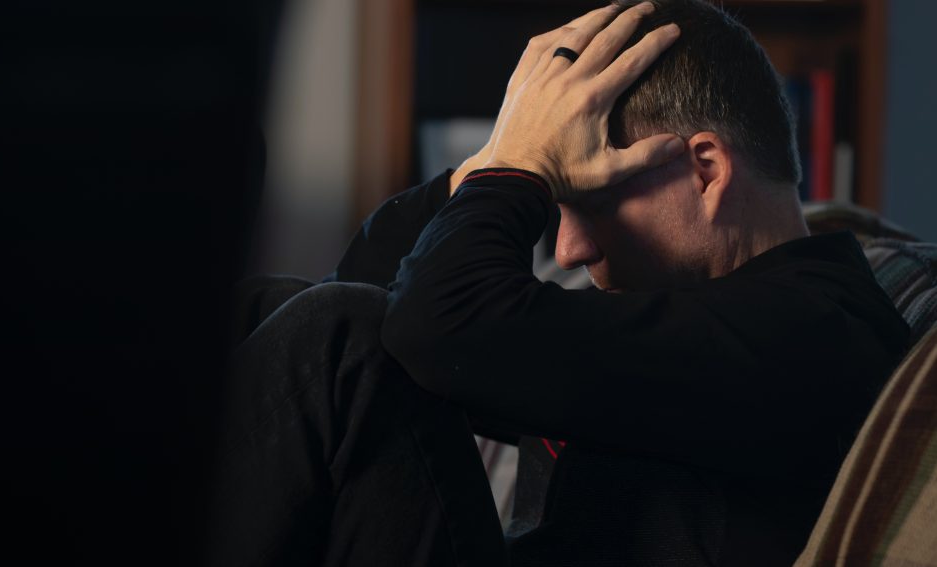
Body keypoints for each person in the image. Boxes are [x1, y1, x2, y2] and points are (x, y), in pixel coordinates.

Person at [210, 0, 909, 565]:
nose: (569, 250)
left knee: (340, 338)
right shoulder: (697, 313)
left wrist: (521, 173)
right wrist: (499, 155)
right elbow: (374, 290)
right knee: (265, 309)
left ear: (703, 170)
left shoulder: (809, 333)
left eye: (589, 205)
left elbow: (431, 322)